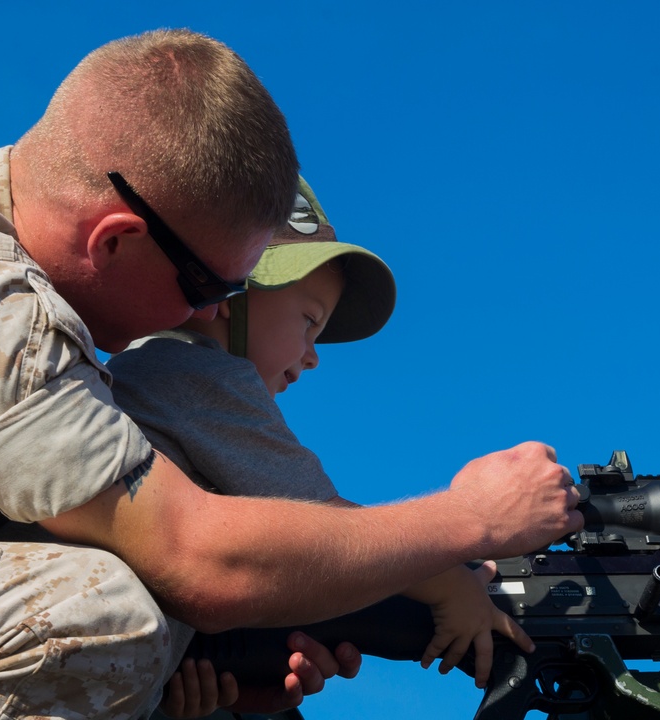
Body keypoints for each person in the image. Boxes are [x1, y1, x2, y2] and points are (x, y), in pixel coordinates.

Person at [0, 27, 582, 720]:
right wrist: (468, 522)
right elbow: (195, 559)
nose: (210, 313)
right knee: (99, 609)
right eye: (213, 289)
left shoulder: (11, 302)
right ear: (115, 242)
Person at [105, 177, 536, 718]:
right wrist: (453, 588)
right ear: (229, 293)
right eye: (309, 322)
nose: (312, 357)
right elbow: (334, 532)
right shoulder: (194, 371)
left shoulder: (152, 367)